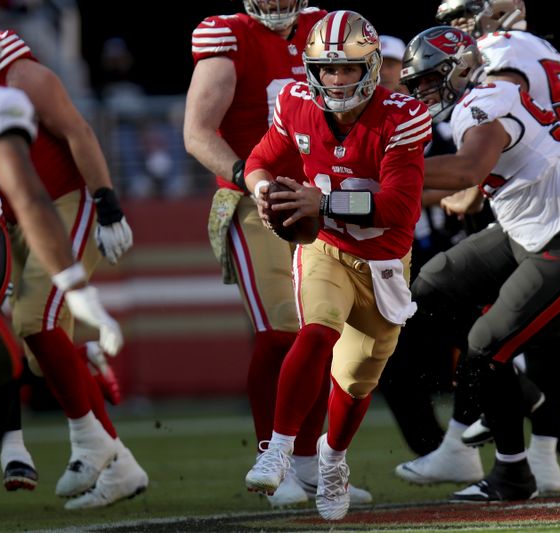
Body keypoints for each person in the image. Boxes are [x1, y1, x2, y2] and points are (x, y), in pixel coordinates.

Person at [399, 25, 560, 501]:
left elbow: (466, 169)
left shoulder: (482, 102)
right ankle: (520, 396)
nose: (421, 92)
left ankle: (513, 471)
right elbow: (483, 173)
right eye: (414, 83)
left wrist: (381, 174)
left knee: (486, 345)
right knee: (433, 286)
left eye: (427, 79)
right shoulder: (493, 97)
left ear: (458, 68)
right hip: (530, 227)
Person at [242, 10, 431, 520]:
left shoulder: (402, 114)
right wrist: (263, 193)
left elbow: (398, 207)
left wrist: (319, 202)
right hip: (325, 248)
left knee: (356, 380)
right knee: (317, 329)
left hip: (384, 261)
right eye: (327, 68)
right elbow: (259, 159)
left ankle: (333, 459)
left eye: (347, 69)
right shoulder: (296, 103)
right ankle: (277, 447)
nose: (336, 78)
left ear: (370, 68)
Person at [184, 0, 373, 508]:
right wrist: (254, 175)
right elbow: (198, 132)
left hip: (321, 198)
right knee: (281, 331)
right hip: (256, 197)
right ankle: (275, 457)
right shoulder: (228, 35)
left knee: (324, 332)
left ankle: (310, 463)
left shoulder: (327, 27)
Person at [0, 14, 147, 508]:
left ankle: (86, 440)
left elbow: (76, 129)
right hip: (5, 217)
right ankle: (121, 465)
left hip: (61, 203)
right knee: (30, 351)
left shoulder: (15, 69)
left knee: (34, 319)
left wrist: (107, 203)